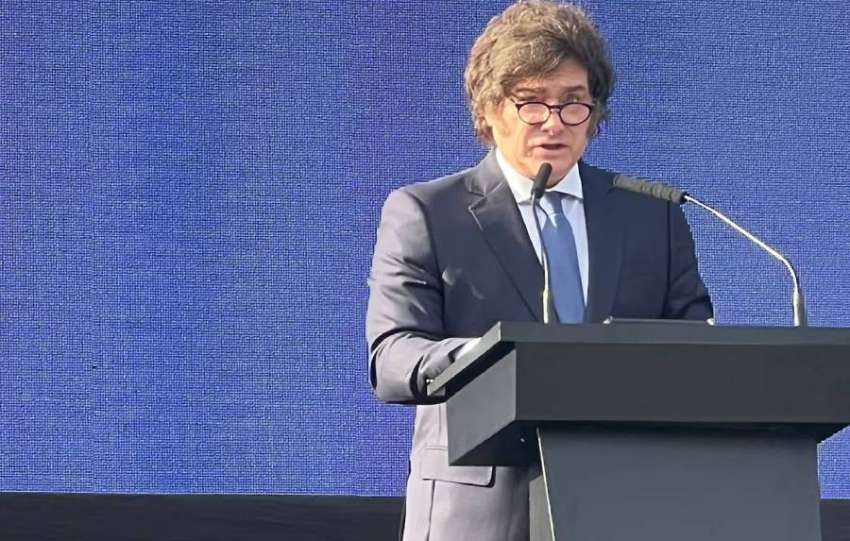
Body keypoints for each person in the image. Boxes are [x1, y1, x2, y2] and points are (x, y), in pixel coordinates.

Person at [366, 1, 713, 540]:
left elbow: (697, 350)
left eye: (573, 103)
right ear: (490, 109)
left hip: (623, 505)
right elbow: (392, 357)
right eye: (531, 103)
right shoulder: (428, 213)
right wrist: (493, 358)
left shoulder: (652, 216)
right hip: (478, 513)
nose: (554, 122)